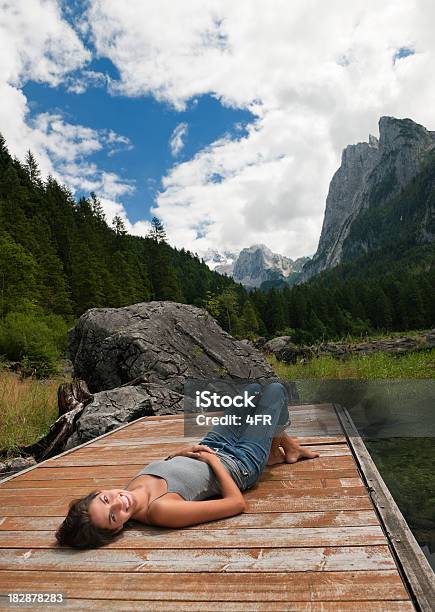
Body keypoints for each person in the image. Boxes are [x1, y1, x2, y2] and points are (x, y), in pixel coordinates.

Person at [55, 382, 319, 549]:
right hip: (239, 463)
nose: (118, 503)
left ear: (100, 490)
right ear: (117, 529)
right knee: (275, 390)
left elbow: (170, 470)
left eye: (105, 500)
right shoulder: (159, 511)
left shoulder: (128, 490)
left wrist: (180, 452)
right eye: (114, 516)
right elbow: (236, 504)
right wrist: (215, 462)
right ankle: (281, 448)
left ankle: (283, 447)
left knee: (251, 391)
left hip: (211, 444)